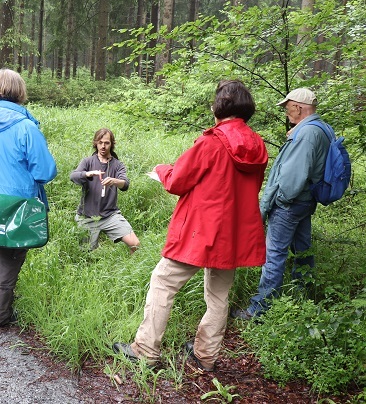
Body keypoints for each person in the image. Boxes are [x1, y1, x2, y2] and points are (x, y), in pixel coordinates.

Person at [113, 80, 268, 371]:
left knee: (163, 282)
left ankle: (145, 350)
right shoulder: (258, 145)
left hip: (202, 229)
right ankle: (206, 355)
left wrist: (161, 169)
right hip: (233, 232)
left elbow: (177, 181)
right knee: (219, 294)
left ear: (218, 107)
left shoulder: (212, 141)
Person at [0, 69, 57, 328]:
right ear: (20, 92)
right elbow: (45, 171)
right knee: (9, 257)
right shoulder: (26, 128)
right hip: (18, 206)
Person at [233, 88, 329, 321]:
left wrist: (280, 201)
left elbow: (292, 177)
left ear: (298, 107)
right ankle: (303, 298)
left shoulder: (306, 134)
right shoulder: (321, 129)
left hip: (291, 203)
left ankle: (260, 310)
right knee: (303, 250)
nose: (286, 113)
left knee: (274, 253)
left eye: (288, 108)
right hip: (306, 201)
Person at [70, 128, 140, 253]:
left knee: (135, 244)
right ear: (95, 143)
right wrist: (87, 174)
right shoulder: (88, 162)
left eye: (107, 143)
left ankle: (126, 269)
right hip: (87, 217)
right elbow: (73, 176)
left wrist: (114, 181)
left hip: (110, 215)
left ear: (112, 144)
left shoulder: (118, 165)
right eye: (100, 142)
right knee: (85, 255)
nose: (103, 146)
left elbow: (125, 184)